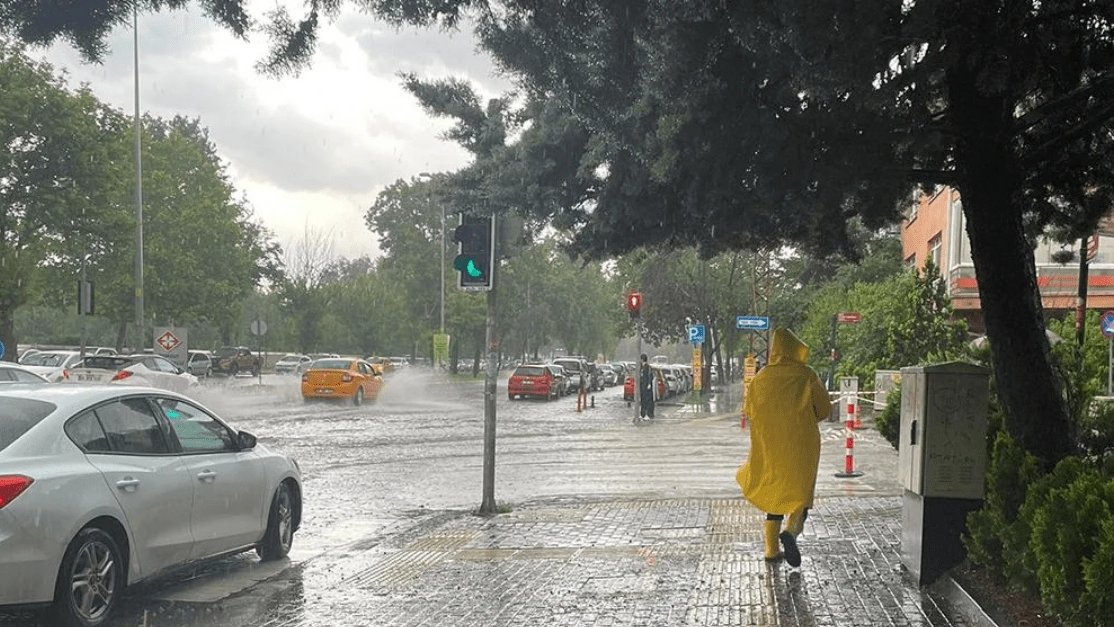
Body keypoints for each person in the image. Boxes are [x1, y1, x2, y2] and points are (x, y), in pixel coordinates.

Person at [736, 328, 829, 567]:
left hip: (771, 444)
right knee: (801, 493)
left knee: (775, 494)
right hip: (802, 444)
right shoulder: (806, 375)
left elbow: (750, 411)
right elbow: (824, 409)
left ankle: (770, 549)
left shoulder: (761, 378)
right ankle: (791, 532)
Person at [638, 354, 655, 419]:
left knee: (648, 400)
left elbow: (650, 376)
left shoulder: (648, 367)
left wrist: (649, 384)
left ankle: (649, 414)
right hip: (642, 386)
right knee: (643, 400)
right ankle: (642, 414)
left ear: (642, 359)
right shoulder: (640, 367)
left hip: (646, 386)